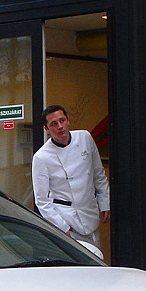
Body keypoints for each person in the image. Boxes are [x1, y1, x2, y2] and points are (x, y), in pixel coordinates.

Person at [31, 105, 110, 248]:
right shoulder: (41, 157)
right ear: (47, 129)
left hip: (89, 212)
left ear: (68, 121)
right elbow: (42, 200)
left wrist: (105, 203)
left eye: (62, 120)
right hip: (67, 219)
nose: (60, 126)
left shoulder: (85, 137)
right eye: (54, 124)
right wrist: (63, 228)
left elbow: (98, 173)